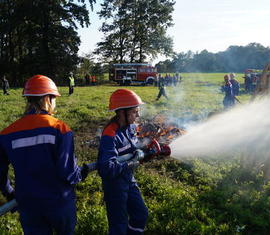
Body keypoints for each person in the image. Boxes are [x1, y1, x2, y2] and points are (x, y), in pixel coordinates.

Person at [0, 75, 89, 234]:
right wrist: (80, 174)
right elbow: (67, 172)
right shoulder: (61, 129)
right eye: (54, 98)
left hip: (28, 205)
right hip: (59, 202)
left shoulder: (7, 133)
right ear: (47, 99)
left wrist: (9, 192)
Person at [97, 89, 148, 235]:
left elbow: (133, 145)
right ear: (121, 113)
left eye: (137, 111)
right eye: (134, 112)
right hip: (114, 185)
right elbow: (107, 169)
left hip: (128, 179)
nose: (138, 115)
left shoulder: (131, 127)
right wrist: (130, 164)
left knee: (141, 214)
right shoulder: (110, 134)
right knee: (118, 225)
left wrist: (140, 151)